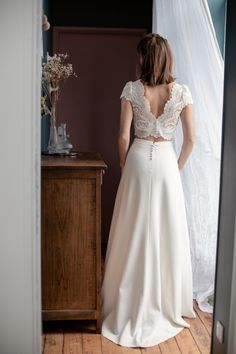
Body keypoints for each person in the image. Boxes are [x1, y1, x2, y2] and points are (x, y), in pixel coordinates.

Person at [101, 33, 196, 348]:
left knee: (133, 230)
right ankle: (165, 302)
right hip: (167, 162)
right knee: (166, 231)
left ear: (144, 57)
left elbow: (122, 137)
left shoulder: (131, 89)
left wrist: (123, 165)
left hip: (138, 161)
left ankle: (126, 298)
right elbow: (192, 140)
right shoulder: (181, 93)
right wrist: (176, 169)